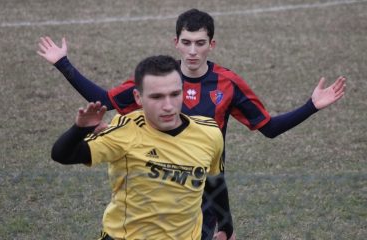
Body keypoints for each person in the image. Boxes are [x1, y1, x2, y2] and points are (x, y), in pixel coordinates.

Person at [38, 9, 346, 240]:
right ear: (176, 43)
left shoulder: (227, 85)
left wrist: (311, 107)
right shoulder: (156, 79)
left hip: (200, 187)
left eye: (200, 43)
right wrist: (64, 65)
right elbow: (104, 101)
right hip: (150, 189)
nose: (193, 51)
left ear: (212, 44)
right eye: (187, 42)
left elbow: (267, 127)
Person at [51, 55, 225, 240]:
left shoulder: (209, 133)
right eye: (156, 97)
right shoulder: (125, 132)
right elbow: (62, 155)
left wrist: (226, 226)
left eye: (174, 94)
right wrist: (79, 129)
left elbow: (215, 182)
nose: (168, 106)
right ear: (138, 97)